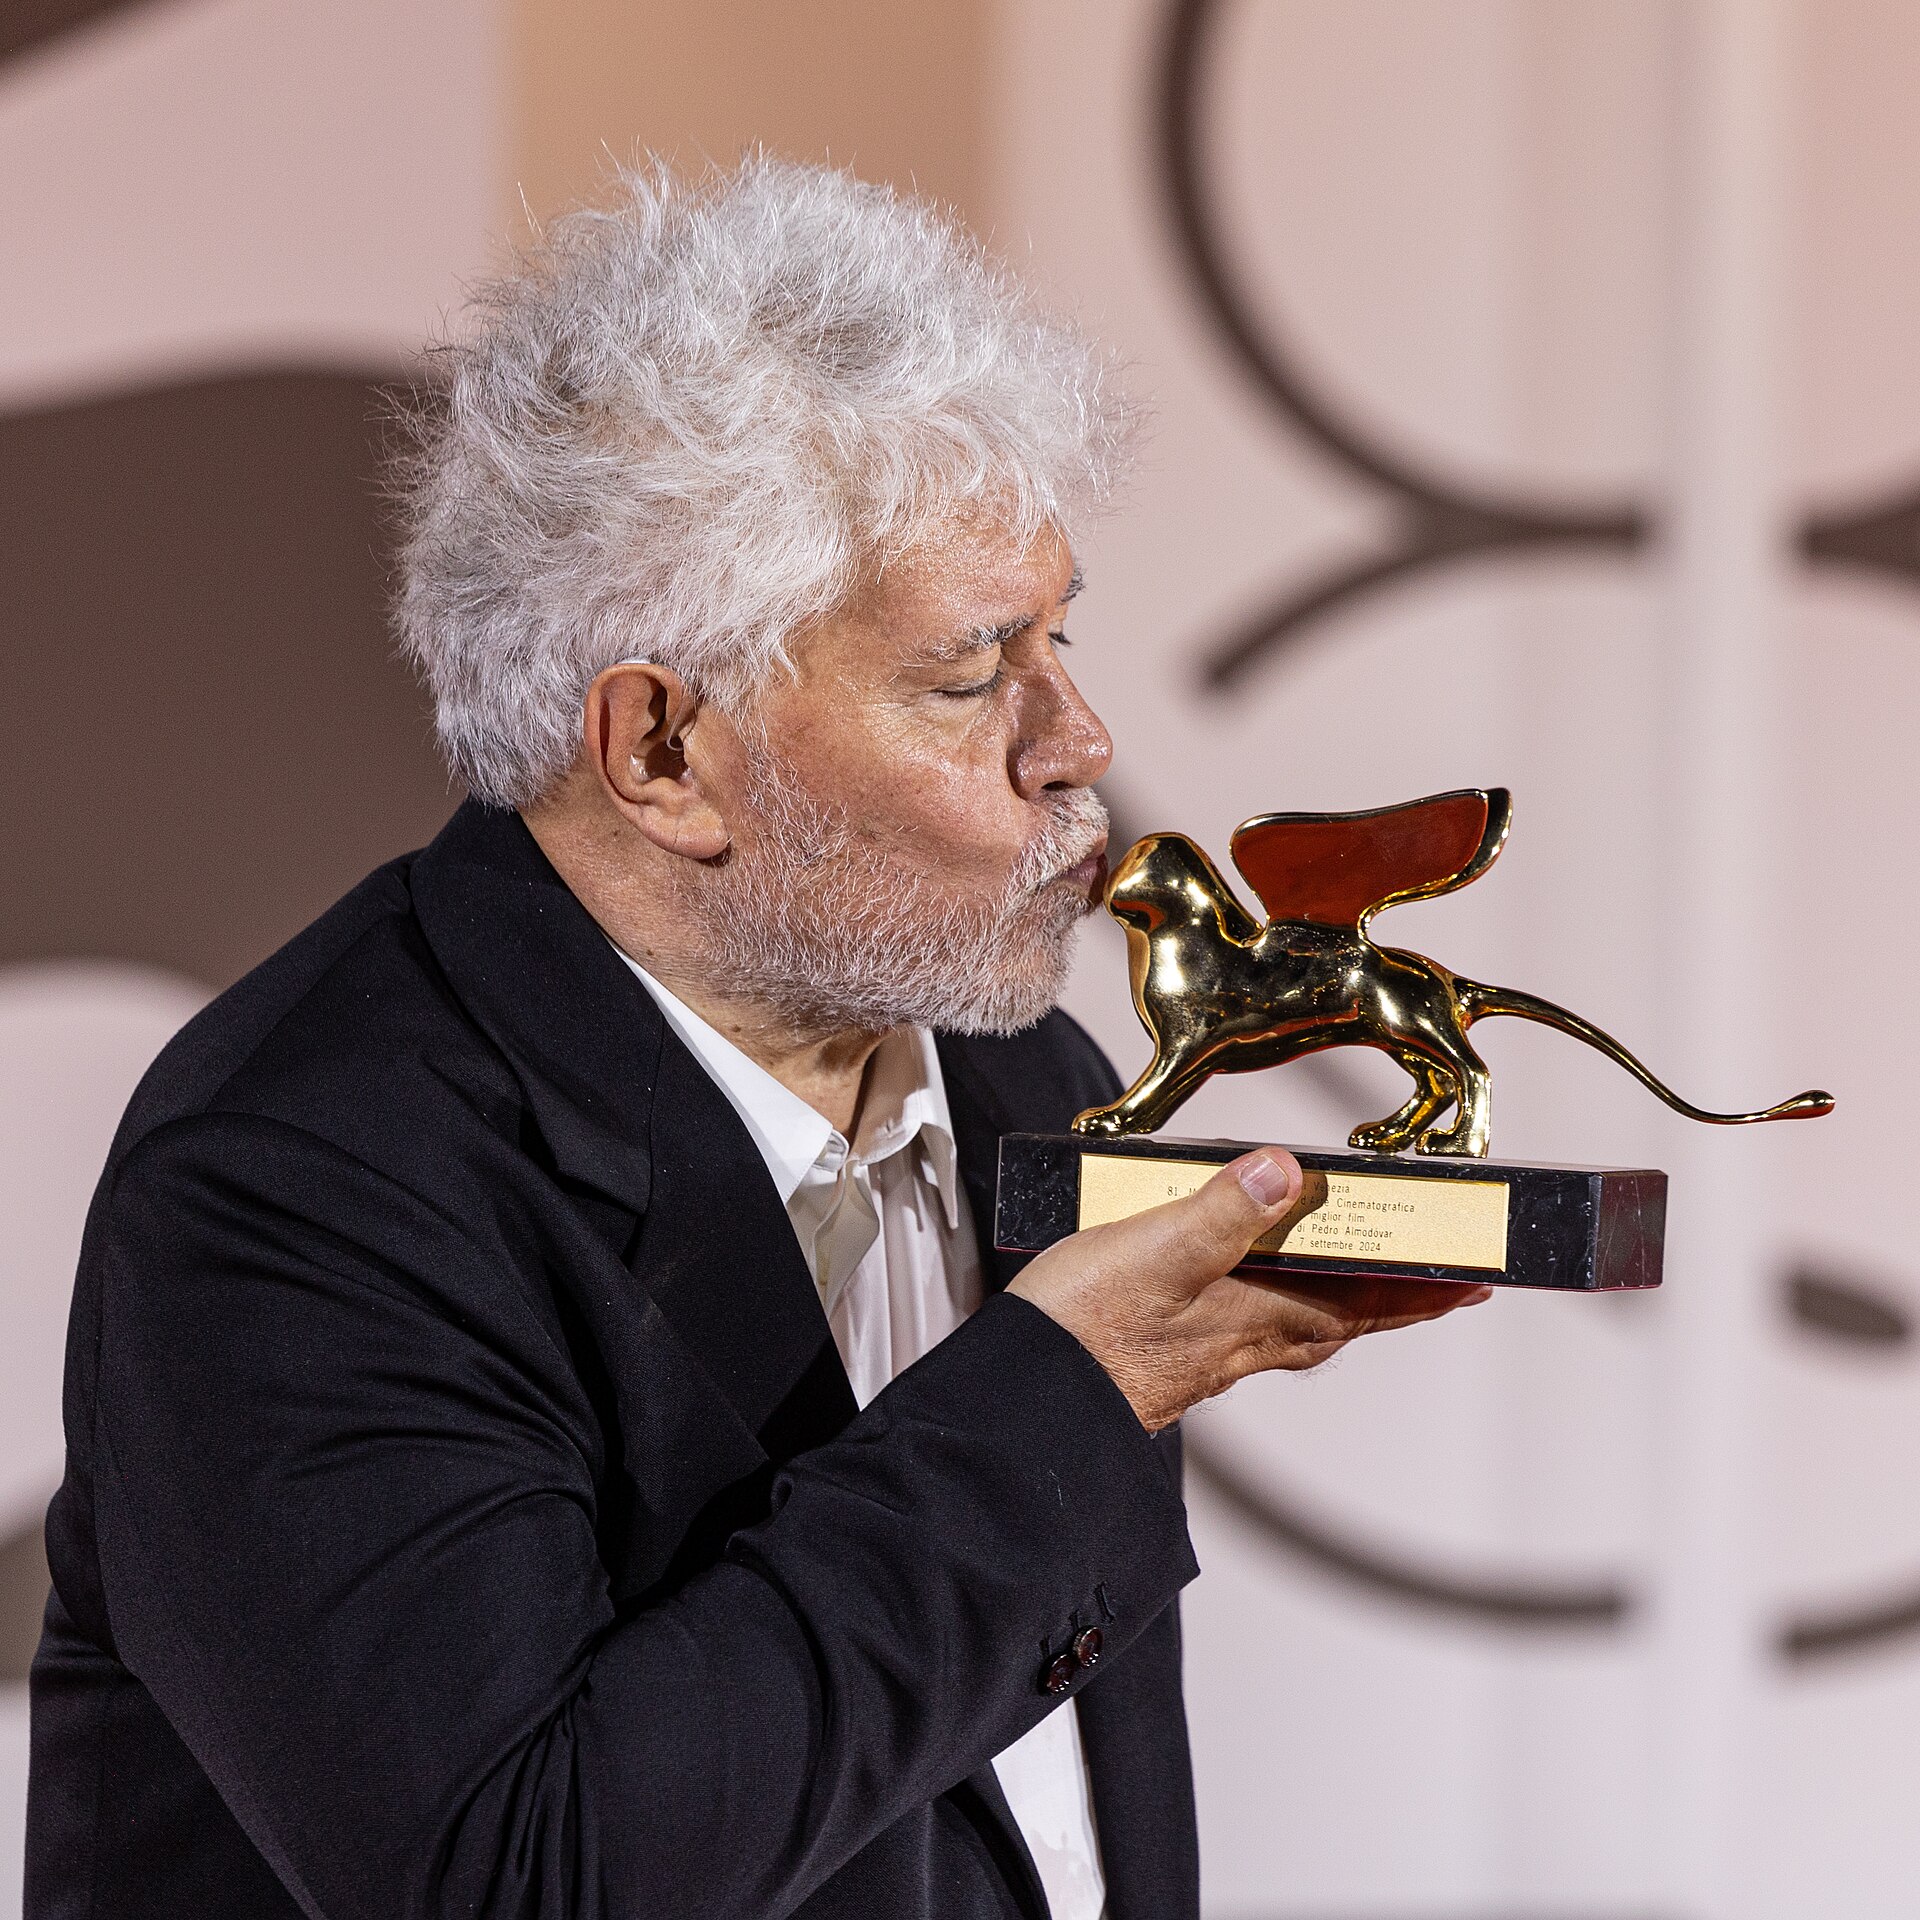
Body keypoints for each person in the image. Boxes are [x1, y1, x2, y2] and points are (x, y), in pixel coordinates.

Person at [25, 158, 1486, 1920]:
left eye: (1061, 636)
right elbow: (522, 1882)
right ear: (660, 750)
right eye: (972, 675)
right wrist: (1070, 1397)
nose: (1079, 740)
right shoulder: (302, 1185)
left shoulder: (1024, 1078)